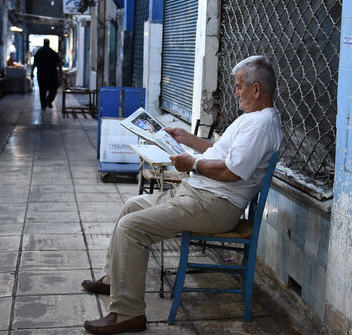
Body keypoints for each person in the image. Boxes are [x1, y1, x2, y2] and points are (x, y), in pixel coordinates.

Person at [81, 55, 283, 334]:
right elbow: (220, 149)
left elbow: (231, 172)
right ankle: (114, 279)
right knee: (132, 206)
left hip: (215, 205)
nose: (235, 92)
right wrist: (186, 139)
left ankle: (128, 313)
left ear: (256, 89)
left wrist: (193, 164)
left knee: (131, 228)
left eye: (239, 86)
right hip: (199, 194)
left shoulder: (262, 124)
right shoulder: (251, 119)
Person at [31, 39, 63, 110]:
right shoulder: (53, 52)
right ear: (49, 43)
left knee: (42, 90)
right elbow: (59, 64)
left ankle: (43, 105)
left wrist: (31, 73)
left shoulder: (39, 52)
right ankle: (49, 100)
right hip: (52, 75)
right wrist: (61, 75)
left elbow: (34, 64)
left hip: (41, 74)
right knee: (53, 89)